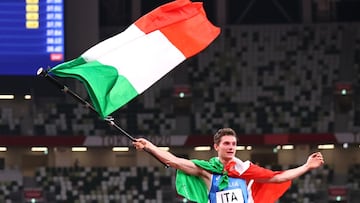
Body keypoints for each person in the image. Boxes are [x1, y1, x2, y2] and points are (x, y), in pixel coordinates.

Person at [133, 128, 324, 203]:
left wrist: (306, 166)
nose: (231, 147)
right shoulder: (207, 172)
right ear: (216, 146)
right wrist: (149, 146)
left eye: (233, 143)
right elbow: (173, 161)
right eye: (226, 143)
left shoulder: (245, 170)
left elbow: (277, 177)